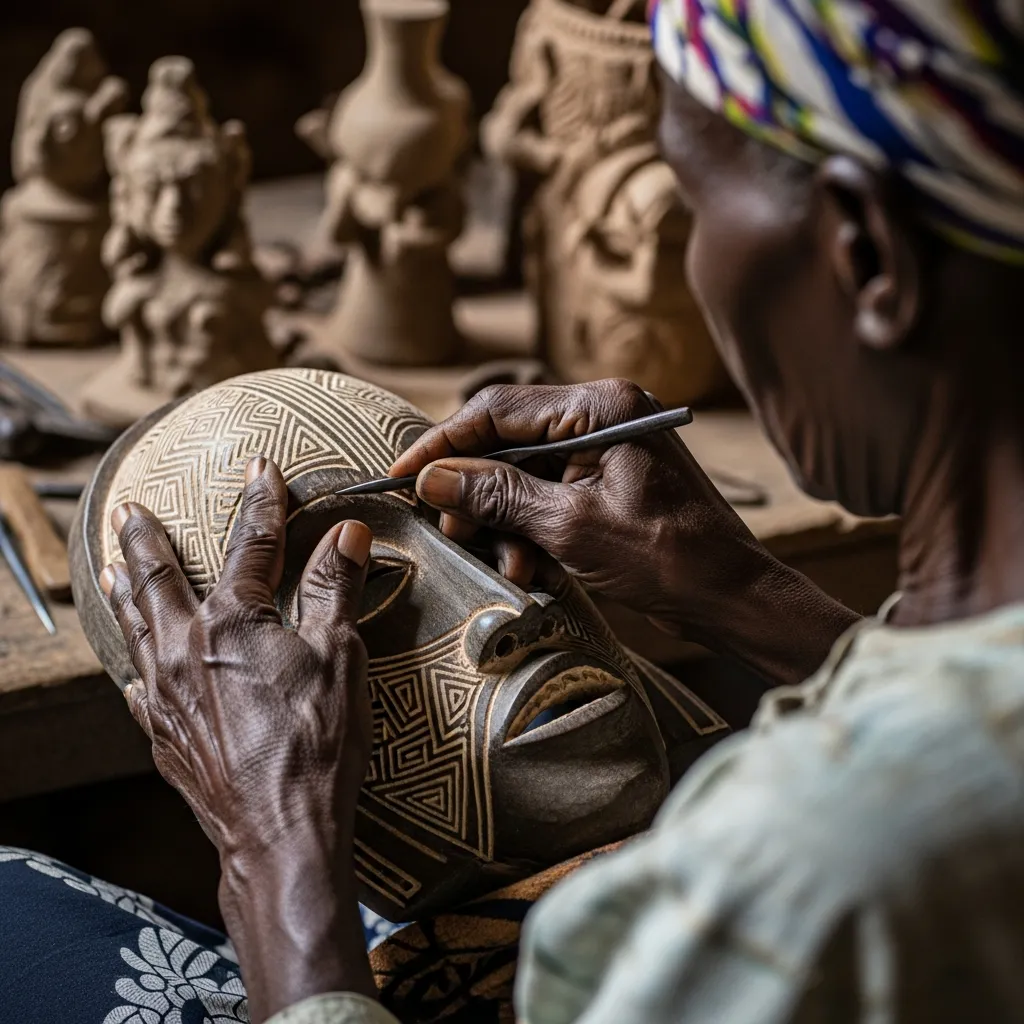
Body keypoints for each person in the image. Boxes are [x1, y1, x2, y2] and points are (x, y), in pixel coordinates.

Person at [5, 0, 1024, 1021]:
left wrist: (276, 857)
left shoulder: (787, 880)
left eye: (693, 204)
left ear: (867, 256)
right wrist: (752, 593)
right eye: (375, 585)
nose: (513, 607)